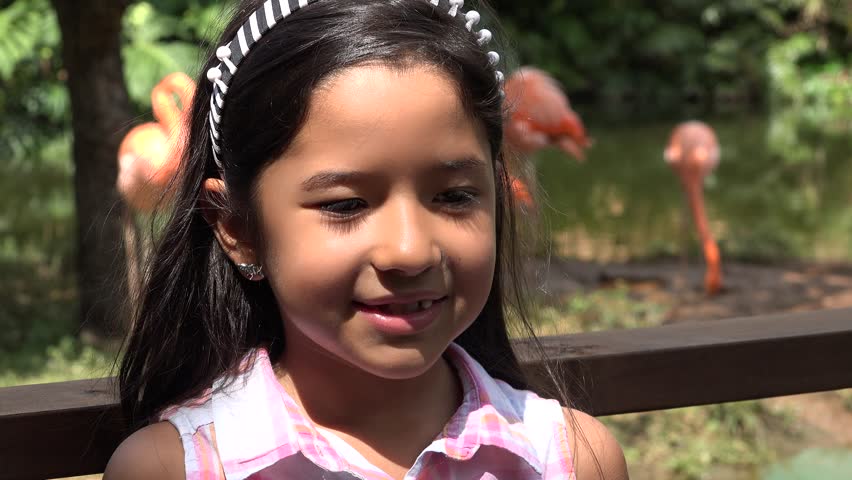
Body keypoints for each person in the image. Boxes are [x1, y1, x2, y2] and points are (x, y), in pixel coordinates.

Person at [104, 1, 628, 479]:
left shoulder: (573, 460)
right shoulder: (174, 469)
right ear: (236, 227)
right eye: (346, 205)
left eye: (454, 196)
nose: (410, 251)